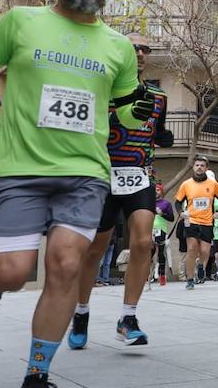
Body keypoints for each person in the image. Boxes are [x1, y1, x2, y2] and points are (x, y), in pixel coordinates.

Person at [0, 0, 150, 388]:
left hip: (85, 174)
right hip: (22, 171)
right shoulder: (21, 22)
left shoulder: (119, 47)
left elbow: (124, 103)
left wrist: (140, 112)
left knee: (65, 265)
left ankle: (36, 376)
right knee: (14, 270)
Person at [67, 33, 171, 349]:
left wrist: (163, 137)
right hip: (101, 176)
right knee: (95, 249)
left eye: (145, 49)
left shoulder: (158, 96)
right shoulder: (99, 91)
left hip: (139, 176)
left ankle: (128, 318)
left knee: (143, 242)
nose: (139, 53)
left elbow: (157, 132)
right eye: (133, 47)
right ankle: (81, 312)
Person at [174, 157, 218, 290]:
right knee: (191, 249)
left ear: (206, 168)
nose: (199, 167)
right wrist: (181, 212)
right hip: (191, 221)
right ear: (193, 167)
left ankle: (201, 264)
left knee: (205, 251)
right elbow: (177, 202)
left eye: (202, 165)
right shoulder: (186, 184)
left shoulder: (213, 184)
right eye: (197, 165)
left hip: (207, 222)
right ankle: (190, 279)